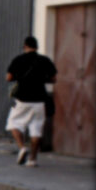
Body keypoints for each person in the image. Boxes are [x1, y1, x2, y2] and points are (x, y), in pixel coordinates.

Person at [5, 36, 57, 167]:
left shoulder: (18, 60)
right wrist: (41, 79)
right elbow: (54, 79)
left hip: (23, 99)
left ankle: (22, 148)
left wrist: (20, 78)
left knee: (13, 123)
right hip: (39, 100)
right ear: (37, 47)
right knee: (36, 129)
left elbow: (8, 77)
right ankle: (32, 160)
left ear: (25, 46)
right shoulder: (44, 60)